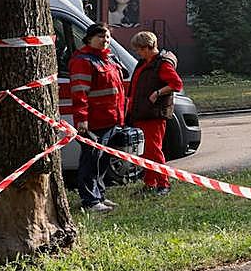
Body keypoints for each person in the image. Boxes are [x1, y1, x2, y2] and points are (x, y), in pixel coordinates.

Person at [69, 23, 127, 213]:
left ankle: (99, 195)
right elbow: (80, 93)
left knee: (102, 161)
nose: (105, 40)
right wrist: (82, 119)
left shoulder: (108, 59)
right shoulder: (83, 61)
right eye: (100, 36)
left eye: (107, 37)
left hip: (111, 119)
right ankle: (90, 201)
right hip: (94, 121)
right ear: (89, 39)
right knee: (90, 161)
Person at [127, 30, 183, 197]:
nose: (137, 53)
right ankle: (150, 183)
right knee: (146, 151)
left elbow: (176, 84)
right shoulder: (145, 62)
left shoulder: (162, 64)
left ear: (147, 47)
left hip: (153, 114)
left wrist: (158, 93)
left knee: (154, 151)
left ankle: (163, 184)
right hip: (142, 112)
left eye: (138, 49)